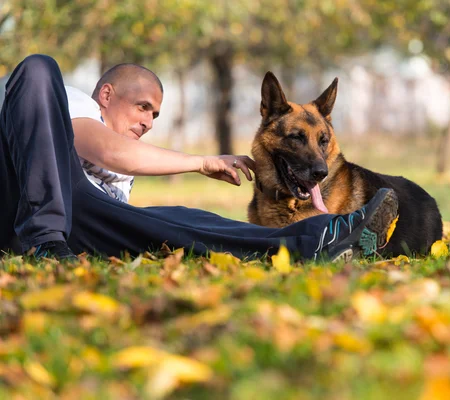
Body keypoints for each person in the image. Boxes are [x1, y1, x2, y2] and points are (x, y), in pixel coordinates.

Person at [0, 54, 399, 262]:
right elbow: (107, 150)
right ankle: (45, 240)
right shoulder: (70, 103)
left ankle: (321, 238)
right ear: (106, 96)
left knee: (185, 218)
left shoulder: (112, 185)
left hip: (78, 222)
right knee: (39, 67)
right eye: (142, 107)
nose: (148, 121)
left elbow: (116, 194)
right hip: (19, 205)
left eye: (154, 115)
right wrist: (202, 161)